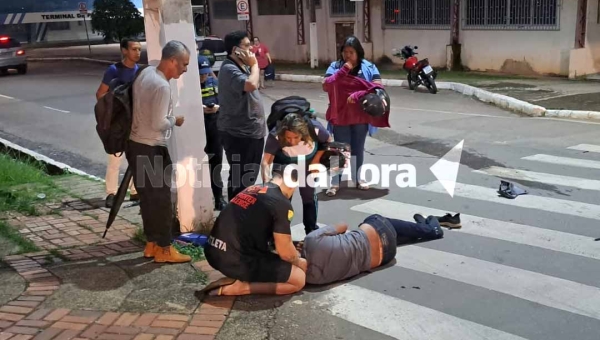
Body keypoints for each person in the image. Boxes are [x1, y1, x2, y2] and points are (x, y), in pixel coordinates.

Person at [197, 165, 307, 297]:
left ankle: (241, 276)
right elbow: (286, 254)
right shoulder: (281, 203)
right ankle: (240, 288)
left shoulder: (254, 188)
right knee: (298, 279)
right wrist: (299, 261)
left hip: (213, 251)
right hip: (234, 260)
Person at [126, 40, 190, 263]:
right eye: (183, 64)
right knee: (162, 200)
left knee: (147, 199)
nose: (185, 69)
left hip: (135, 145)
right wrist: (176, 119)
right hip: (151, 147)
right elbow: (158, 123)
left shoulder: (146, 73)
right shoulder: (162, 86)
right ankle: (164, 248)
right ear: (172, 60)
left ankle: (151, 244)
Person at [299, 213, 445, 285]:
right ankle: (430, 229)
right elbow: (343, 225)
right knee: (372, 220)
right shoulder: (311, 240)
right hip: (382, 231)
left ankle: (418, 228)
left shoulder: (312, 279)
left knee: (384, 237)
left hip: (385, 258)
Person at [322, 35, 385, 197]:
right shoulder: (335, 67)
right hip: (340, 116)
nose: (347, 55)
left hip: (360, 117)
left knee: (358, 149)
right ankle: (335, 183)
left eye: (351, 52)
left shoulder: (369, 67)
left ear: (358, 53)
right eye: (345, 52)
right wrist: (343, 71)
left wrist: (359, 94)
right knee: (338, 151)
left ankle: (358, 179)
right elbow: (326, 85)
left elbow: (377, 88)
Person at [261, 113, 332, 236]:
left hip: (308, 163)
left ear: (303, 133)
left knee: (308, 197)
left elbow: (327, 142)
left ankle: (311, 232)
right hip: (284, 163)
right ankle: (279, 234)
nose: (292, 141)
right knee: (281, 199)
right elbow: (266, 161)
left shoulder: (314, 128)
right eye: (288, 138)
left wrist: (316, 161)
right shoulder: (276, 134)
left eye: (296, 137)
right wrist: (267, 185)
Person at [217, 30, 266, 201]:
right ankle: (237, 216)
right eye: (246, 45)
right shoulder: (229, 68)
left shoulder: (242, 66)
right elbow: (251, 84)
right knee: (241, 180)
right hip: (239, 134)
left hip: (251, 133)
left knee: (248, 178)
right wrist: (254, 65)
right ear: (235, 50)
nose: (251, 48)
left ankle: (243, 213)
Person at [96, 38, 142, 208]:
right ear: (124, 51)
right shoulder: (114, 70)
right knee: (115, 159)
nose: (138, 52)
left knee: (135, 157)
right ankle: (111, 193)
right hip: (117, 124)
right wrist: (112, 111)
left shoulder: (139, 72)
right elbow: (100, 94)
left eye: (139, 49)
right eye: (133, 49)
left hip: (134, 122)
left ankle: (135, 191)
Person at [199, 56, 227, 211]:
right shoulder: (188, 86)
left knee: (216, 162)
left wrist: (216, 107)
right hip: (198, 127)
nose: (203, 76)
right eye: (200, 73)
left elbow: (224, 102)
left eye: (205, 73)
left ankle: (218, 197)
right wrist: (200, 109)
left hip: (214, 124)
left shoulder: (213, 83)